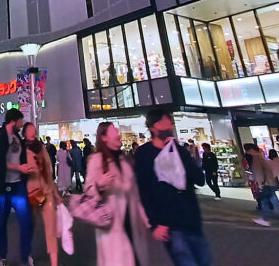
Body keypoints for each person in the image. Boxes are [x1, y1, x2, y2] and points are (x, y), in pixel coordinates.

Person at [135, 109, 212, 266]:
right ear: (152, 128)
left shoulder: (179, 150)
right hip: (169, 223)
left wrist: (177, 150)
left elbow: (199, 179)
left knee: (205, 261)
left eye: (169, 122)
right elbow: (144, 191)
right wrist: (154, 224)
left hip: (191, 219)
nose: (167, 126)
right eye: (162, 123)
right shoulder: (144, 154)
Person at [87, 121, 149, 266]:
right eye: (114, 130)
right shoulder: (97, 160)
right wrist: (98, 185)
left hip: (132, 225)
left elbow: (135, 194)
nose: (119, 134)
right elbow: (88, 191)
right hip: (111, 227)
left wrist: (145, 218)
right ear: (104, 137)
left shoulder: (125, 160)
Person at [0, 108, 34, 266]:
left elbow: (21, 158)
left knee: (26, 221)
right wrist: (19, 168)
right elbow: (0, 163)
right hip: (1, 188)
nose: (22, 125)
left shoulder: (18, 138)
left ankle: (26, 254)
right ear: (13, 121)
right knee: (1, 223)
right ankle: (2, 256)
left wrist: (26, 170)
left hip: (18, 186)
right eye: (20, 121)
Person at [22, 123, 62, 266]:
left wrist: (56, 192)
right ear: (25, 133)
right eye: (29, 130)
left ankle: (54, 262)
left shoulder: (41, 147)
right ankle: (27, 254)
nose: (32, 132)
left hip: (46, 190)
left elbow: (49, 169)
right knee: (29, 225)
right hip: (31, 193)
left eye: (34, 130)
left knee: (51, 227)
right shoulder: (20, 149)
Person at [244, 144, 279, 229]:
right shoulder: (261, 156)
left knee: (274, 202)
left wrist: (260, 183)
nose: (247, 152)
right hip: (269, 182)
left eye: (247, 150)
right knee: (265, 201)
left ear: (251, 150)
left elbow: (259, 171)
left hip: (267, 183)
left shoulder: (257, 157)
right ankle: (266, 219)